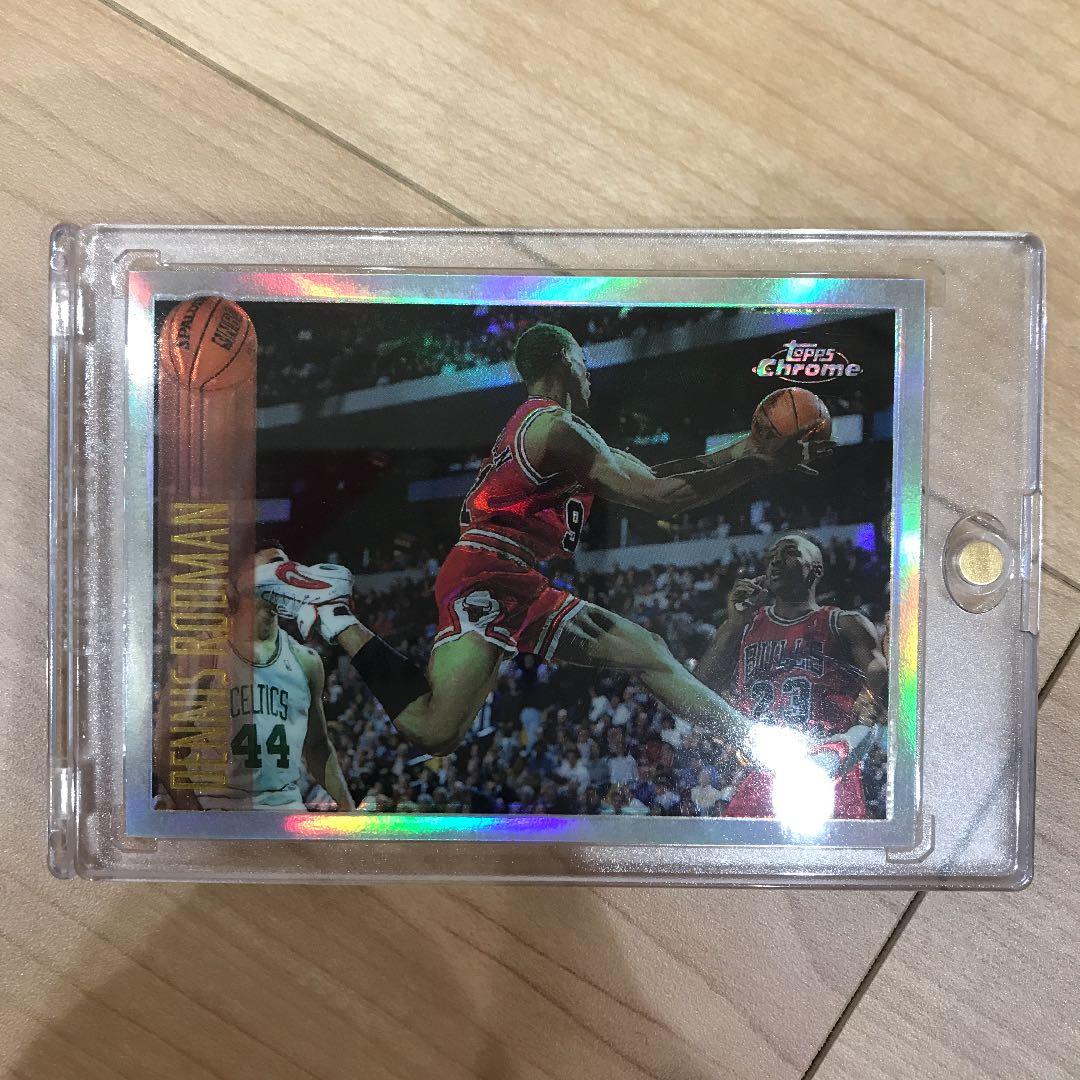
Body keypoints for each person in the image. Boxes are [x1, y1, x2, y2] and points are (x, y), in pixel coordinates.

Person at [257, 324, 829, 758]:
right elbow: (660, 497)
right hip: (492, 573)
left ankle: (333, 614)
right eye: (584, 361)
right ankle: (759, 747)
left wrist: (748, 451)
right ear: (565, 360)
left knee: (443, 728)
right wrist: (757, 465)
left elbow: (659, 474)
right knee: (441, 727)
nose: (590, 373)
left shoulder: (557, 430)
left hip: (504, 574)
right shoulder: (554, 427)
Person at [696, 533, 886, 819]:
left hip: (828, 766)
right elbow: (700, 689)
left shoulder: (844, 623)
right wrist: (734, 624)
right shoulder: (744, 626)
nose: (775, 562)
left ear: (816, 569)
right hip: (766, 771)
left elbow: (879, 682)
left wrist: (862, 717)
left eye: (788, 553)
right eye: (771, 557)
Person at [156, 544, 354, 812]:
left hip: (286, 812)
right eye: (273, 565)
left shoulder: (307, 660)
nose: (286, 572)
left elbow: (317, 746)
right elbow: (166, 746)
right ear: (236, 586)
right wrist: (194, 815)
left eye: (287, 565)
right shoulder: (205, 655)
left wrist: (348, 807)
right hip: (219, 811)